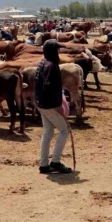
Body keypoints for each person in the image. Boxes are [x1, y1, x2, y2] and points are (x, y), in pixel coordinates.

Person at [35, 40, 72, 174]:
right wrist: (58, 105)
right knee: (64, 131)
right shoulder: (52, 66)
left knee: (48, 132)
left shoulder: (42, 63)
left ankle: (44, 164)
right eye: (57, 50)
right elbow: (49, 86)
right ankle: (55, 162)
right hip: (49, 105)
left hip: (40, 103)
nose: (59, 52)